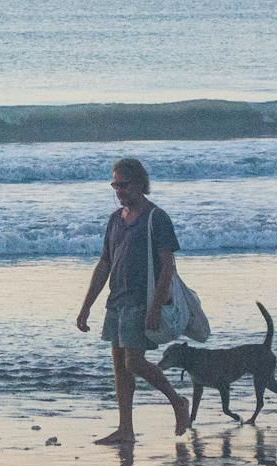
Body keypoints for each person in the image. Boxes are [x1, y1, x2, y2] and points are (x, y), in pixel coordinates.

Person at [75, 157, 191, 445]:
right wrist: (86, 305)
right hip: (117, 299)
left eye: (124, 185)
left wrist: (156, 306)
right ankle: (125, 428)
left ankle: (178, 401)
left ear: (140, 183)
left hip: (142, 300)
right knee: (120, 368)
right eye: (115, 185)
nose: (119, 191)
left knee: (134, 363)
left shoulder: (156, 217)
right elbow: (104, 263)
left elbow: (168, 266)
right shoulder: (115, 219)